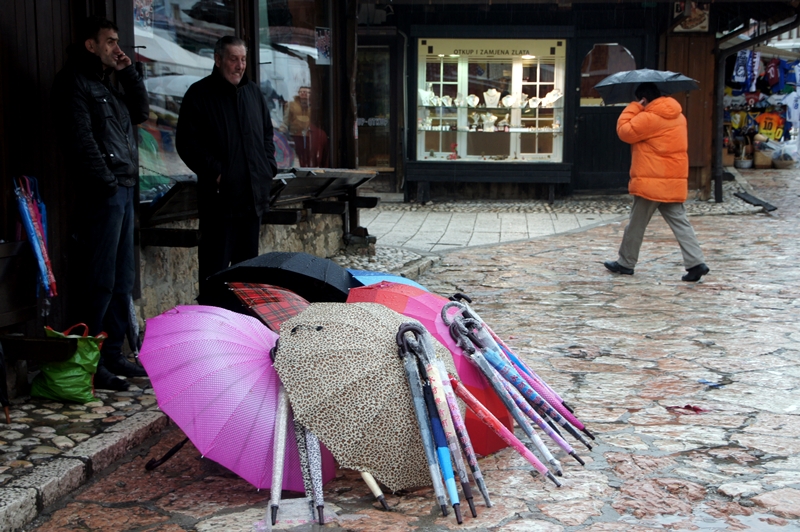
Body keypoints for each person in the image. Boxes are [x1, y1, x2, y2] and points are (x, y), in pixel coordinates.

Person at [52, 16, 150, 390]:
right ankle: (89, 363)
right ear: (91, 45)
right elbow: (81, 141)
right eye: (109, 42)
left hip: (124, 190)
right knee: (100, 282)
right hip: (105, 193)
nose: (117, 48)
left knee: (122, 280)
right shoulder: (74, 82)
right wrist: (107, 185)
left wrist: (128, 73)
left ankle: (111, 355)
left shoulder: (107, 83)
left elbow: (140, 113)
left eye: (117, 41)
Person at [177, 36, 278, 283]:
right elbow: (188, 144)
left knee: (247, 278)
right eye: (233, 59)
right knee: (215, 274)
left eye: (243, 59)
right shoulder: (199, 94)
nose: (240, 65)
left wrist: (268, 167)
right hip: (219, 203)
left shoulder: (253, 93)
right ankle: (211, 321)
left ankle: (241, 322)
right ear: (218, 59)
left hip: (253, 201)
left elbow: (266, 133)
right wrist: (218, 173)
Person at [604, 82, 710, 282]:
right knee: (681, 223)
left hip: (651, 181)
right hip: (673, 180)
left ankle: (626, 263)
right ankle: (696, 263)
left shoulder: (649, 117)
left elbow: (624, 131)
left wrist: (634, 106)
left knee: (636, 224)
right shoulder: (678, 116)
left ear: (644, 98)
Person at [282, 86, 329, 167]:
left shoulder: (314, 107)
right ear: (299, 93)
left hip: (310, 134)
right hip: (295, 135)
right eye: (302, 92)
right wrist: (282, 131)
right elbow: (286, 121)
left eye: (307, 92)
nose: (304, 94)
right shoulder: (292, 106)